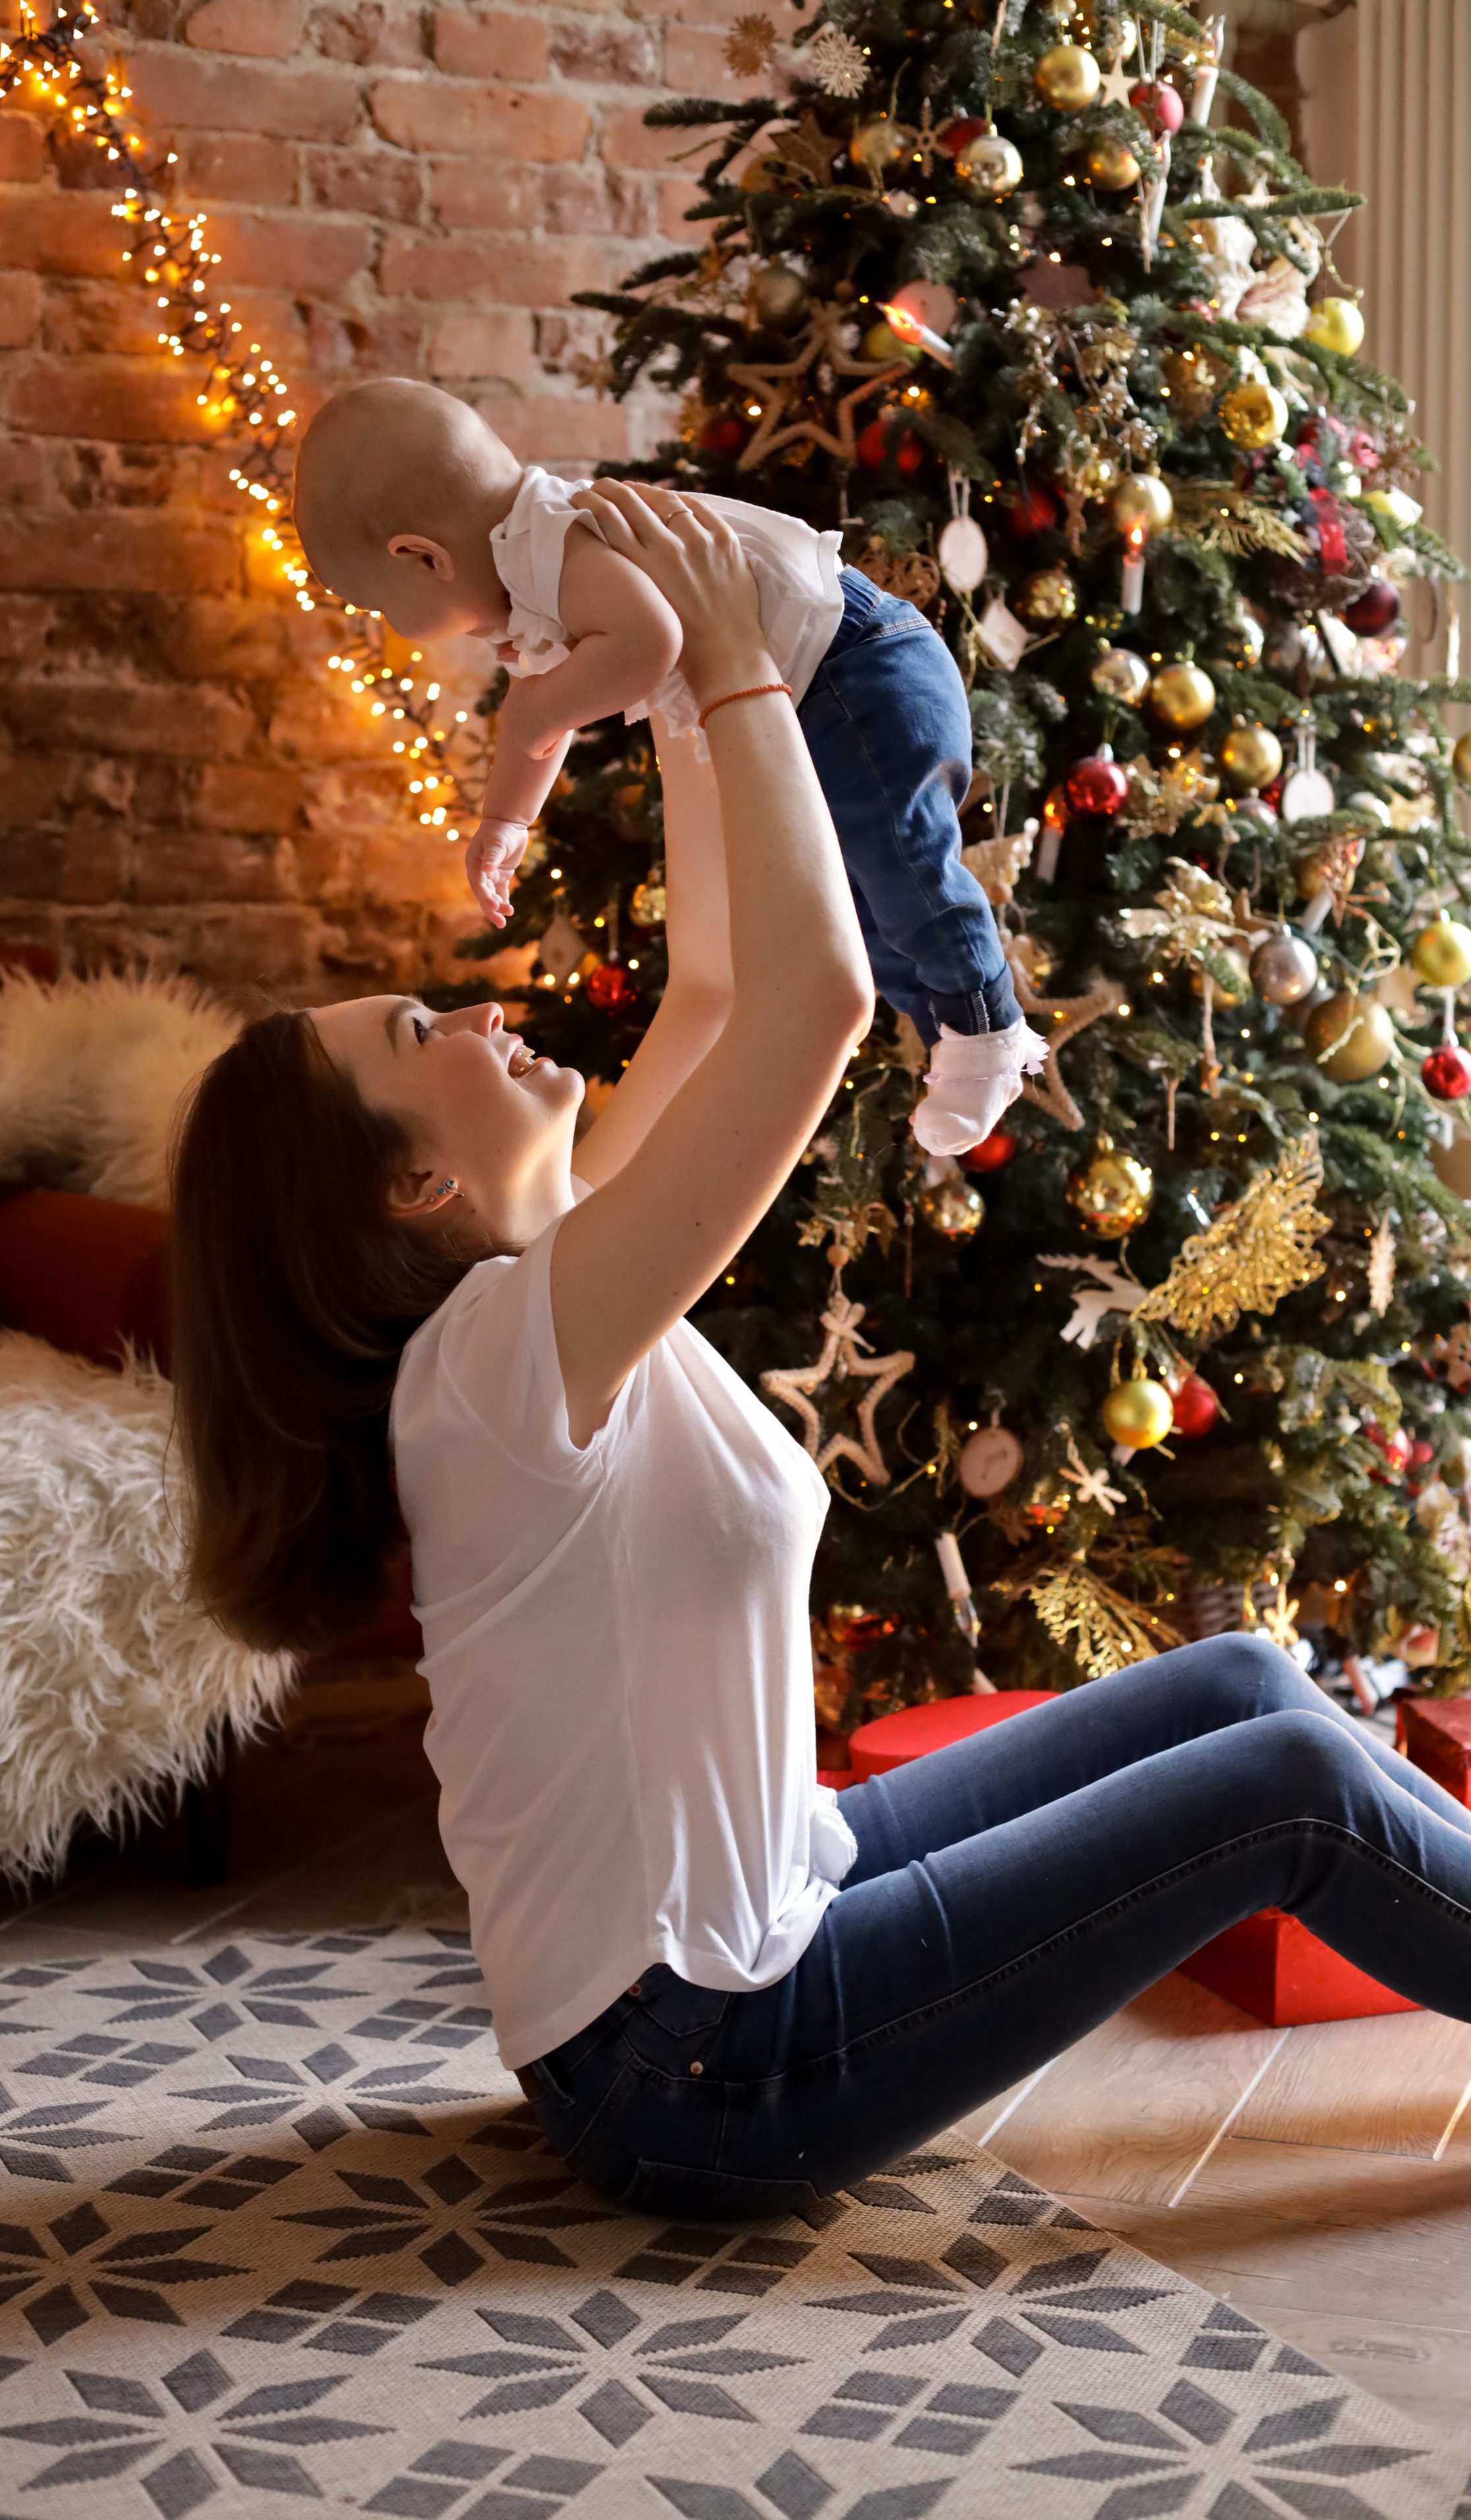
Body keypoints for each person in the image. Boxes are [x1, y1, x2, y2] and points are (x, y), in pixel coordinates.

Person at [170, 484, 1471, 2223]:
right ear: (411, 1181)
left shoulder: (548, 1279)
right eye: (425, 1031)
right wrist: (732, 673)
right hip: (706, 2060)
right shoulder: (496, 1357)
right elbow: (816, 1003)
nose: (479, 1009)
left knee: (1246, 1693)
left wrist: (684, 703)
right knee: (1291, 1783)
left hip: (774, 1917)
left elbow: (712, 996)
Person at [291, 376, 1040, 1157]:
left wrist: (543, 710)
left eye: (381, 609)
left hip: (861, 667)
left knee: (901, 861)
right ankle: (950, 1029)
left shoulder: (553, 539)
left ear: (420, 557)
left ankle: (989, 1027)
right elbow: (534, 721)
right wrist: (504, 821)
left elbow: (648, 644)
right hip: (814, 690)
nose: (395, 629)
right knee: (861, 892)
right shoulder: (523, 577)